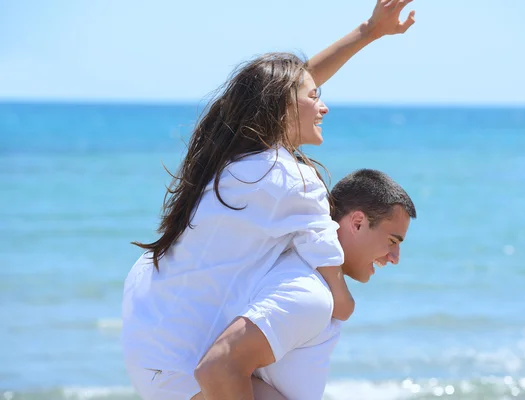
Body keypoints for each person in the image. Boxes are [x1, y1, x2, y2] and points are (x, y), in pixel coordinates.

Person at [122, 0, 416, 398]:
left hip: (153, 344)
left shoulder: (232, 158)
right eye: (315, 97)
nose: (324, 106)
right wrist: (331, 305)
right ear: (280, 106)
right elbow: (340, 302)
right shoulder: (290, 179)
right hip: (185, 366)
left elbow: (289, 85)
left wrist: (367, 32)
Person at [195, 169, 417, 400]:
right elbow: (218, 367)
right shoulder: (308, 293)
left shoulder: (305, 277)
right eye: (392, 241)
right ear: (358, 223)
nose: (395, 257)